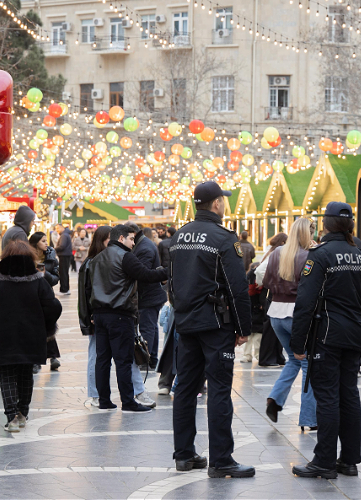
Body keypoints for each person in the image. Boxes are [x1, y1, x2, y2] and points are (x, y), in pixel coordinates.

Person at [169, 181, 255, 478]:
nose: (224, 204)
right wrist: (243, 327)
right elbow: (237, 287)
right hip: (215, 323)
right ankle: (221, 460)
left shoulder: (179, 236)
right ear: (216, 203)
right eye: (223, 200)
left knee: (185, 389)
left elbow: (172, 281)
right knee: (218, 389)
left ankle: (184, 455)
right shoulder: (223, 237)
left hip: (186, 323)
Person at [290, 202, 361, 479]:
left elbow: (305, 302)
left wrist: (297, 342)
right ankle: (349, 460)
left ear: (326, 224)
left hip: (327, 335)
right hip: (354, 333)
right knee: (349, 395)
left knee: (327, 397)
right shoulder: (359, 253)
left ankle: (324, 461)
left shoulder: (320, 255)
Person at [0, 241, 62, 432]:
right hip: (32, 337)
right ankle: (22, 414)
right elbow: (54, 307)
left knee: (7, 376)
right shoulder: (38, 281)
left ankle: (11, 418)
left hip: (3, 337)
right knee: (26, 375)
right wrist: (46, 325)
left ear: (5, 257)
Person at [88, 224, 167, 412]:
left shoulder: (97, 258)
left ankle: (104, 401)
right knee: (123, 360)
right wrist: (167, 271)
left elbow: (89, 287)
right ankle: (128, 402)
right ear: (121, 238)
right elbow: (146, 275)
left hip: (100, 314)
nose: (133, 243)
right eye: (131, 239)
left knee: (102, 359)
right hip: (120, 314)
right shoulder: (125, 256)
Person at [258, 218, 317, 430]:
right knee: (308, 363)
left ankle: (275, 399)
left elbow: (263, 279)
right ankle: (309, 418)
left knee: (294, 360)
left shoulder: (277, 252)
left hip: (276, 312)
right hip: (297, 315)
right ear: (309, 233)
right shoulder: (309, 255)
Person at [125, 224, 166, 370]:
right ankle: (152, 359)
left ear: (134, 234)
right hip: (150, 295)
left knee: (147, 328)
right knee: (151, 327)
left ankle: (146, 360)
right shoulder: (144, 244)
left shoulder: (144, 248)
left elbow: (143, 274)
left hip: (148, 296)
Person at [29, 232, 62, 372]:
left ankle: (51, 357)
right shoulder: (28, 256)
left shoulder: (51, 257)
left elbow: (56, 279)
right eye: (43, 241)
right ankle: (40, 359)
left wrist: (45, 274)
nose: (46, 243)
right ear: (36, 242)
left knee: (49, 325)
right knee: (36, 327)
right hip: (31, 295)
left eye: (46, 240)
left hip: (46, 295)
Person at [256, 233, 288, 367]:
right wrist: (270, 283)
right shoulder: (275, 254)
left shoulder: (271, 252)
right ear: (282, 243)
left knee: (275, 326)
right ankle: (267, 358)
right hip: (271, 294)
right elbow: (259, 271)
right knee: (271, 327)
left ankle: (277, 357)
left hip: (271, 293)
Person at [241, 262, 264, 363]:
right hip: (253, 310)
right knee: (252, 336)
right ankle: (250, 355)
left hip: (255, 310)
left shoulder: (249, 278)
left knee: (257, 336)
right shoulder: (251, 279)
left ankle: (253, 355)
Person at [54, 224, 73, 296]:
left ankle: (64, 289)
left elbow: (62, 246)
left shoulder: (64, 235)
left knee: (63, 273)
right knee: (65, 273)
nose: (57, 230)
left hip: (64, 255)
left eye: (58, 228)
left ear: (62, 228)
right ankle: (66, 289)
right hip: (65, 255)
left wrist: (54, 249)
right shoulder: (65, 234)